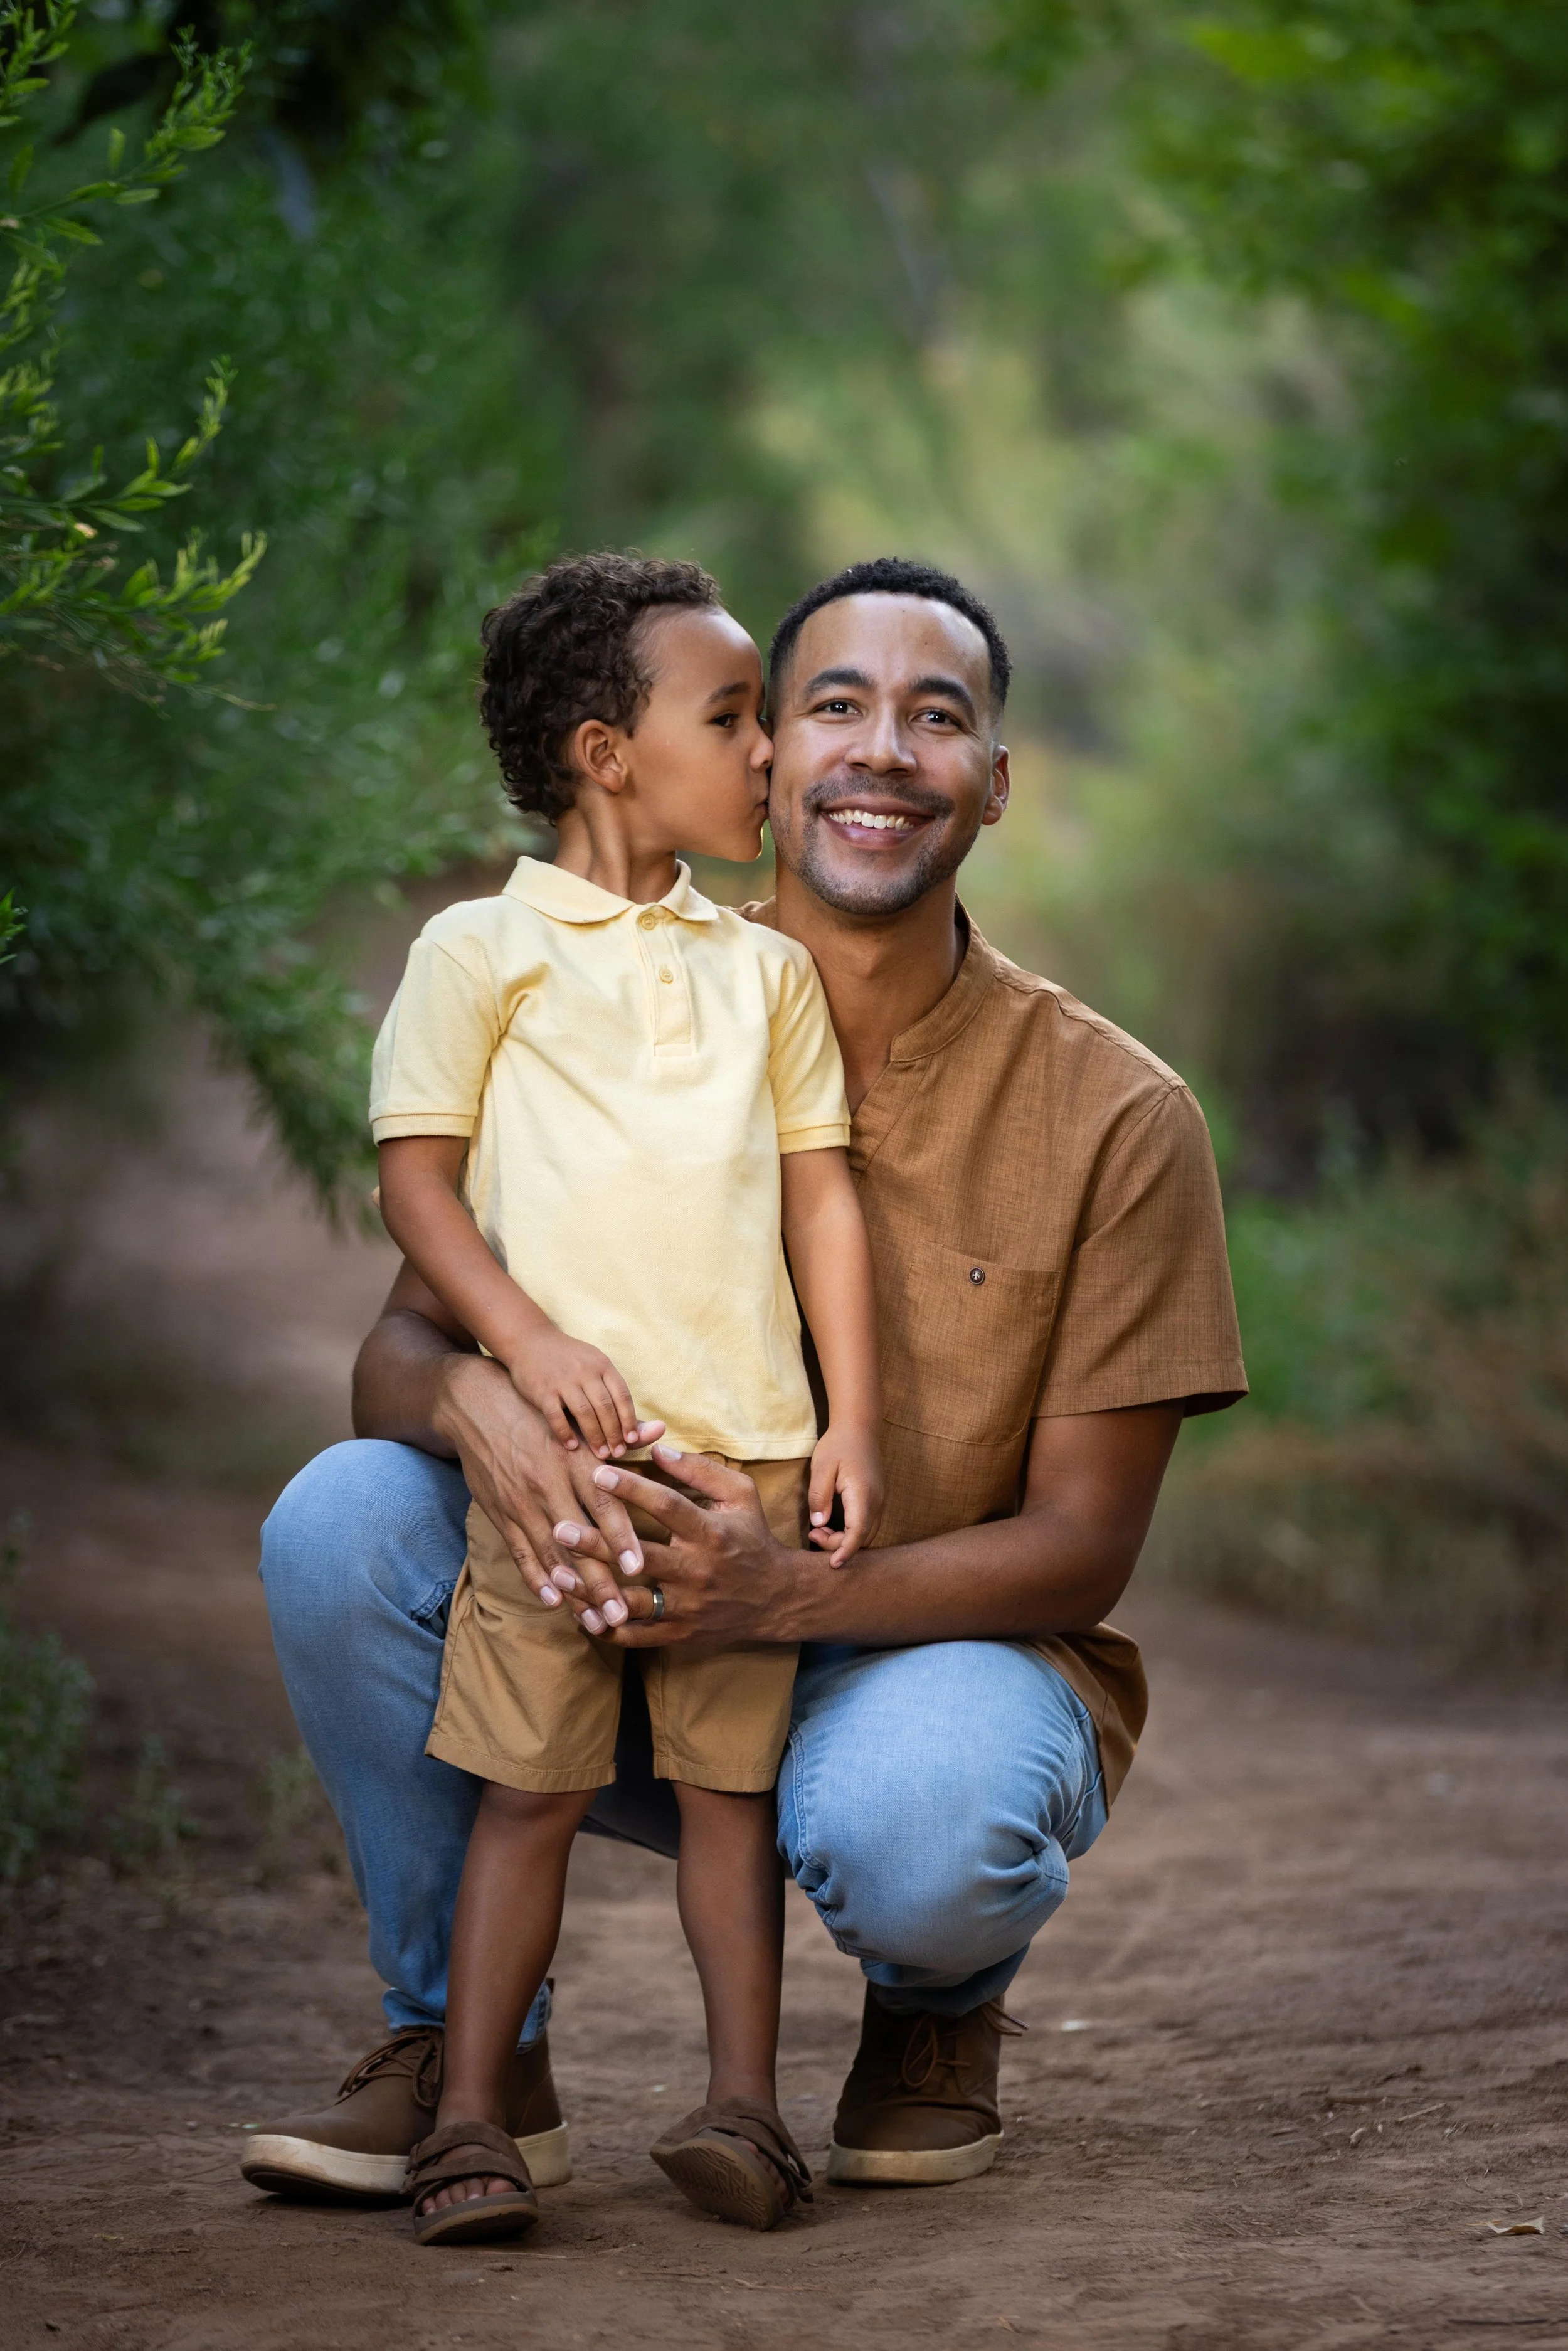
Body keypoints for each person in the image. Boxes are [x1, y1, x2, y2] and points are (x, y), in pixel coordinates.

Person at [247, 555, 1246, 2219]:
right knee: (341, 1519)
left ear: (993, 785)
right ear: (762, 756)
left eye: (940, 718)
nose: (882, 749)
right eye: (833, 703)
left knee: (928, 1819)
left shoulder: (1116, 1117)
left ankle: (930, 2013)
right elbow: (396, 1351)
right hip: (604, 1609)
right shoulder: (593, 994)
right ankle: (465, 2055)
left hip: (903, 1653)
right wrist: (481, 1408)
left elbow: (1080, 1547)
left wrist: (786, 1590)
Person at [367, 553, 882, 2242]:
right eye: (732, 717)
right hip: (570, 1473)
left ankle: (745, 2110)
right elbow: (418, 1189)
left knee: (728, 1800)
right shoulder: (483, 949)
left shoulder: (765, 975)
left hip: (738, 1460)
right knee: (530, 1787)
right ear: (605, 751)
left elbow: (820, 1203)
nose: (768, 757)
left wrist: (848, 1423)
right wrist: (524, 1346)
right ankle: (467, 2117)